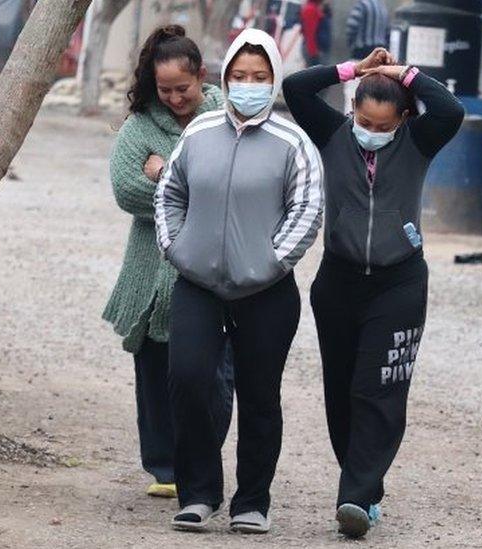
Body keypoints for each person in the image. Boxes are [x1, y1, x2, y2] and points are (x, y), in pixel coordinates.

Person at [282, 47, 464, 538]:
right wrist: (354, 69)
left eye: (385, 125)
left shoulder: (420, 140)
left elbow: (451, 110)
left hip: (399, 282)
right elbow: (296, 88)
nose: (374, 131)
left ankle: (355, 497)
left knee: (377, 388)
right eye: (366, 121)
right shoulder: (334, 134)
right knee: (341, 391)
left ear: (404, 118)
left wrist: (405, 74)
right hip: (338, 280)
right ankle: (366, 483)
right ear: (352, 112)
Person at [154, 28, 323, 534]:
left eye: (260, 77)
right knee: (187, 379)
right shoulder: (199, 132)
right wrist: (178, 248)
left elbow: (308, 208)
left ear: (274, 81)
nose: (248, 85)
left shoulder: (292, 141)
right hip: (198, 284)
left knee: (258, 393)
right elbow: (170, 193)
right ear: (224, 79)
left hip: (266, 291)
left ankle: (252, 500)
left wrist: (269, 261)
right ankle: (199, 493)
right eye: (239, 76)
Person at [105, 24, 232, 502]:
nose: (176, 98)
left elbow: (234, 183)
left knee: (212, 373)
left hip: (216, 267)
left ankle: (200, 458)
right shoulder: (139, 126)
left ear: (202, 75)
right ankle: (164, 464)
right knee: (155, 368)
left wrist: (165, 172)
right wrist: (189, 187)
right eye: (165, 90)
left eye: (183, 88)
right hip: (152, 271)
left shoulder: (226, 114)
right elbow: (125, 189)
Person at [343, 0, 389, 112]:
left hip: (360, 54)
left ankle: (350, 120)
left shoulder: (361, 5)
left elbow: (351, 27)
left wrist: (352, 44)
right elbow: (387, 32)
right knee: (371, 92)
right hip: (378, 56)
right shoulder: (382, 7)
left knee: (353, 91)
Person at [300, 0, 326, 67]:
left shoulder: (314, 7)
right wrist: (313, 52)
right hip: (312, 49)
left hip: (313, 48)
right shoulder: (310, 9)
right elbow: (310, 33)